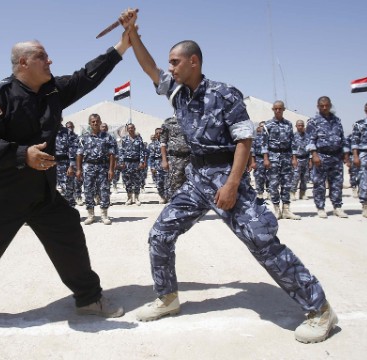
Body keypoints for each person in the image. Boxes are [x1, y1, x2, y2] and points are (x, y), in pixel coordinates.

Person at [126, 10, 337, 344]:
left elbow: (244, 139)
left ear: (193, 61)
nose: (170, 68)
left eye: (175, 62)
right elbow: (149, 68)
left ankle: (320, 309)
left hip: (226, 174)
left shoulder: (225, 94)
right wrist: (132, 35)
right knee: (160, 234)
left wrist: (232, 184)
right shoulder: (179, 93)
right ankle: (167, 298)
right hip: (197, 178)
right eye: (170, 63)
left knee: (261, 241)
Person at [0, 20, 133, 342]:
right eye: (43, 56)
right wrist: (23, 154)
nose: (50, 61)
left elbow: (87, 76)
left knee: (69, 237)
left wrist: (122, 45)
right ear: (23, 62)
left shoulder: (52, 91)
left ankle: (88, 299)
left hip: (42, 193)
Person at [306, 96, 349, 219]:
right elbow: (310, 140)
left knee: (337, 183)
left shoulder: (337, 120)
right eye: (321, 106)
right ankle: (320, 207)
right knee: (319, 184)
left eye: (326, 105)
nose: (324, 108)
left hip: (336, 156)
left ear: (330, 105)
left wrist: (345, 154)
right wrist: (314, 155)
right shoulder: (313, 121)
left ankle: (337, 207)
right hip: (321, 155)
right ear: (318, 107)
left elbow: (342, 138)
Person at [262, 101, 301, 220]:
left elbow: (293, 143)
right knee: (273, 185)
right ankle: (276, 210)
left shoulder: (288, 124)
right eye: (276, 109)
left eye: (280, 109)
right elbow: (264, 144)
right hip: (273, 157)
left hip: (286, 157)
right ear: (273, 109)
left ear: (284, 109)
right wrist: (266, 159)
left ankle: (286, 210)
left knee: (287, 184)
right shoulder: (267, 125)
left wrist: (294, 158)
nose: (278, 111)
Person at [76, 114, 115, 225]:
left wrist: (111, 170)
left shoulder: (107, 137)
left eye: (97, 121)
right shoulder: (84, 137)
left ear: (100, 122)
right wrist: (78, 169)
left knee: (104, 191)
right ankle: (90, 215)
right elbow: (79, 154)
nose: (95, 123)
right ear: (89, 123)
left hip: (103, 167)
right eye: (92, 121)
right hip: (88, 167)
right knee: (88, 190)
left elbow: (112, 154)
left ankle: (104, 215)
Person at [160, 116, 191, 200]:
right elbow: (163, 143)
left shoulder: (191, 120)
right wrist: (164, 160)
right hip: (175, 158)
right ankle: (175, 206)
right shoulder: (168, 123)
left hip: (190, 158)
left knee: (191, 184)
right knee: (174, 184)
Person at [119, 123, 146, 205]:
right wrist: (121, 162)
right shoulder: (124, 139)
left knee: (137, 181)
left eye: (132, 128)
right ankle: (129, 198)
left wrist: (141, 162)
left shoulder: (139, 139)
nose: (131, 129)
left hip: (136, 162)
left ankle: (137, 198)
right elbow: (121, 151)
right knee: (127, 181)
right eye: (129, 128)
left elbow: (142, 151)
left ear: (134, 128)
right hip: (127, 163)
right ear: (127, 129)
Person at [55, 119, 78, 207]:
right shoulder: (47, 132)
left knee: (68, 189)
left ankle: (71, 212)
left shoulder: (67, 132)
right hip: (50, 165)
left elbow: (73, 150)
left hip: (65, 165)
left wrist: (71, 166)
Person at [290, 120, 309, 200]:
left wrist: (310, 160)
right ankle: (292, 193)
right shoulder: (293, 136)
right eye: (299, 125)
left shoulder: (307, 136)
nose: (300, 127)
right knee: (295, 177)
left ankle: (302, 193)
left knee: (305, 177)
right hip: (297, 159)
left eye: (302, 125)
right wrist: (294, 159)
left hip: (306, 158)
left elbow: (310, 148)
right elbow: (292, 148)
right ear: (296, 126)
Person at [148, 129, 167, 203]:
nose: (159, 134)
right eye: (157, 133)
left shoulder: (168, 143)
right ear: (155, 135)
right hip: (157, 164)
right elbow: (151, 157)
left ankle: (168, 196)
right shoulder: (152, 145)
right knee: (159, 182)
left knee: (168, 181)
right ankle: (162, 196)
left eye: (160, 133)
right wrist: (152, 167)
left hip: (167, 164)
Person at [249, 121, 267, 199]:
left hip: (269, 159)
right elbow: (252, 151)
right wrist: (252, 162)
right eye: (260, 126)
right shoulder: (255, 138)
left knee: (270, 177)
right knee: (259, 177)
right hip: (258, 159)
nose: (261, 128)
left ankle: (270, 193)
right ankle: (260, 193)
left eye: (263, 127)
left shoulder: (269, 137)